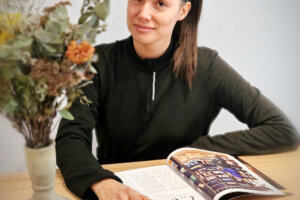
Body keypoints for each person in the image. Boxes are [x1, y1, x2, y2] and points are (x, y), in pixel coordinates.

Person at [55, 0, 300, 199]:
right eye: (137, 0)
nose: (143, 13)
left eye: (160, 4)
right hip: (120, 187)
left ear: (183, 10)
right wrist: (100, 181)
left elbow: (282, 130)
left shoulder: (207, 66)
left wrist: (200, 149)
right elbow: (71, 136)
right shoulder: (98, 63)